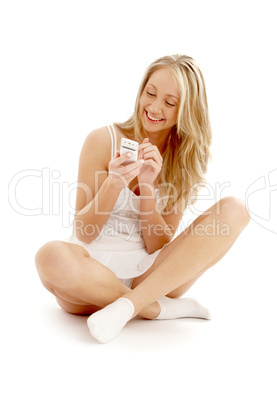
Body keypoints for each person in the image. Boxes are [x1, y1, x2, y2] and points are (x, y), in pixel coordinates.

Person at [35, 55, 250, 343]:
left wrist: (148, 188)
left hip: (149, 275)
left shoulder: (183, 161)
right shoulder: (102, 140)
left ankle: (130, 305)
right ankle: (155, 308)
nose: (154, 107)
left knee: (236, 209)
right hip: (88, 276)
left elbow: (159, 246)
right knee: (49, 256)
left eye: (170, 103)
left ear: (185, 111)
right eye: (150, 93)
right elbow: (85, 232)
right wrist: (115, 183)